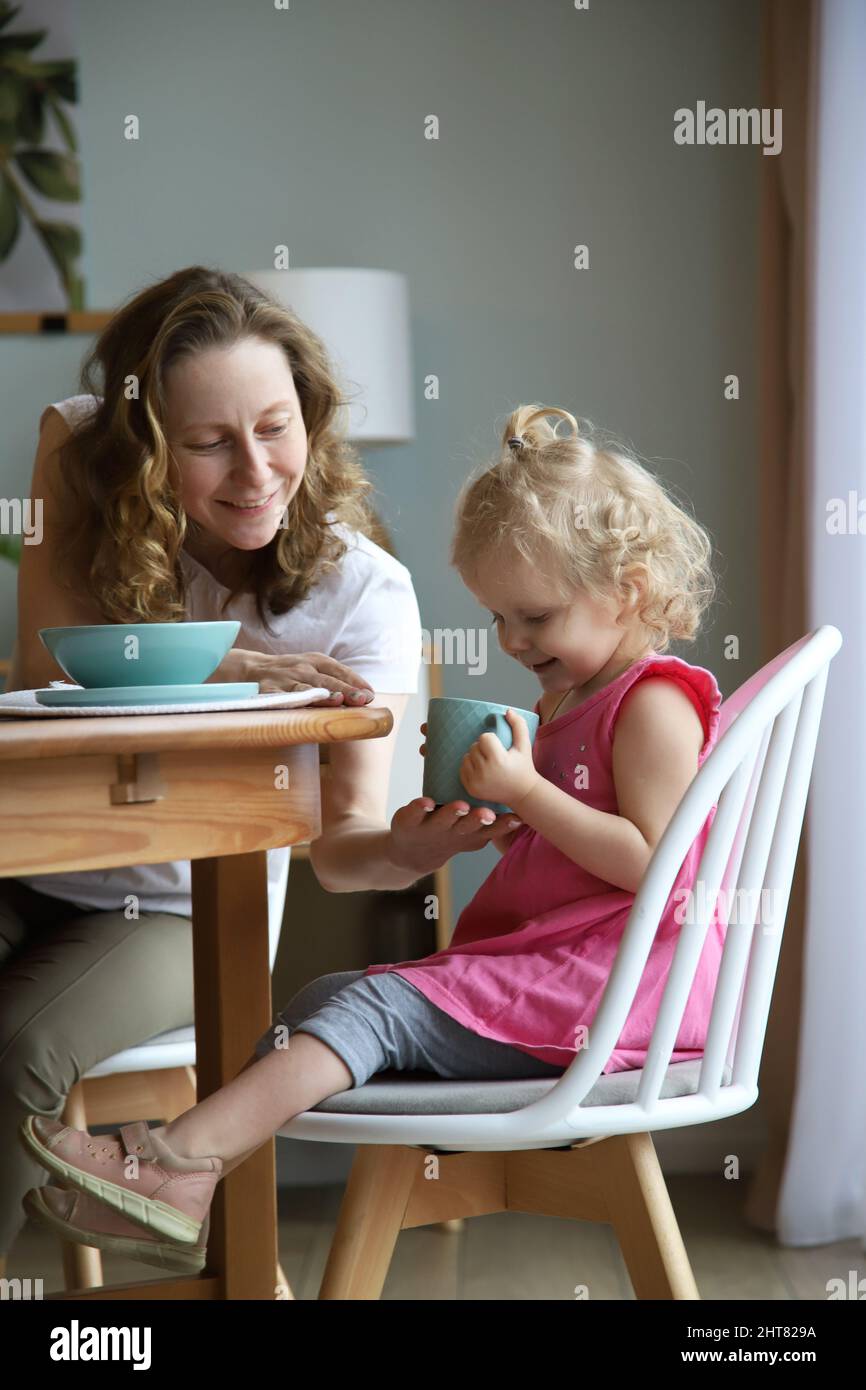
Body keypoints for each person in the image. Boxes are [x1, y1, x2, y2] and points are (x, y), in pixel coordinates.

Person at [17, 400, 727, 1273]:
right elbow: (581, 863)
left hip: (613, 996)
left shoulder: (653, 702)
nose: (510, 640)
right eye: (496, 617)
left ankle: (170, 1161)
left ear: (630, 589)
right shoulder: (573, 698)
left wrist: (530, 793)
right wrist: (496, 827)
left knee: (366, 1009)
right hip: (564, 976)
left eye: (533, 618)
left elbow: (658, 866)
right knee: (325, 1001)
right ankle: (189, 1182)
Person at [0, 265, 515, 1273]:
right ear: (144, 450)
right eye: (206, 443)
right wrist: (226, 667)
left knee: (16, 1044)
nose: (254, 472)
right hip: (28, 863)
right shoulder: (75, 447)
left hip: (176, 907)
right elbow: (44, 659)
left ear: (312, 417)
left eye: (276, 428)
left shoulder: (362, 592)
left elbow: (341, 848)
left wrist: (405, 853)